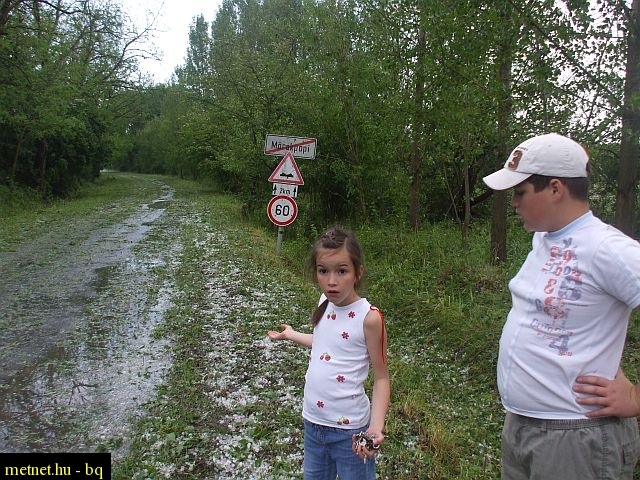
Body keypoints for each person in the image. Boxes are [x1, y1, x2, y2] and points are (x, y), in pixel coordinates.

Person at [482, 132, 640, 479]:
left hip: (575, 438)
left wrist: (635, 396)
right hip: (522, 426)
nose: (514, 203)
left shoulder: (607, 248)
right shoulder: (545, 237)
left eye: (520, 192)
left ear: (555, 189)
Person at [267, 226, 390, 480]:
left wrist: (376, 426)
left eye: (342, 271)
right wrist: (291, 334)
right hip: (313, 424)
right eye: (323, 271)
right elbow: (326, 345)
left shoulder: (369, 318)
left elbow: (381, 377)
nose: (331, 281)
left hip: (350, 432)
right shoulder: (324, 302)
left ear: (358, 273)